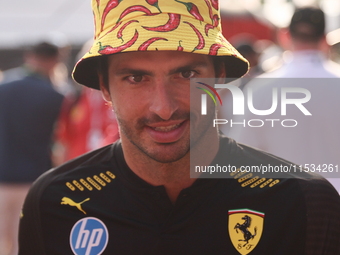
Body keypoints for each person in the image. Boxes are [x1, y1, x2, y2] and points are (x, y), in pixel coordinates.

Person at [19, 1, 340, 255]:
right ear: (104, 87)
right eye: (136, 78)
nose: (163, 107)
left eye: (185, 75)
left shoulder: (304, 203)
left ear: (219, 76)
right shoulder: (53, 203)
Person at [226, 7, 340, 193]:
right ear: (325, 38)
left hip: (285, 205)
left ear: (285, 35)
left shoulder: (261, 89)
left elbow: (241, 157)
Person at [0, 42, 64, 255]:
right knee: (25, 245)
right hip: (35, 180)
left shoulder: (3, 88)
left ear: (30, 56)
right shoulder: (56, 95)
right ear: (55, 60)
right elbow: (61, 141)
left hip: (2, 178)